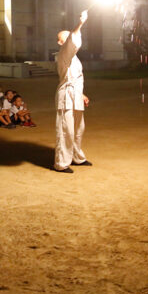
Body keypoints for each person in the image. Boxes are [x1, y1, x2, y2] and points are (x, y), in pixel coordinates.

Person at [54, 10, 91, 173]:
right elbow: (72, 42)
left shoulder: (74, 58)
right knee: (65, 130)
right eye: (66, 37)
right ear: (61, 43)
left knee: (78, 129)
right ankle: (61, 163)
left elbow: (75, 77)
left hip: (75, 95)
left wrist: (81, 94)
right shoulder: (62, 54)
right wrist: (80, 23)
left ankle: (77, 157)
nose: (70, 38)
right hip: (66, 97)